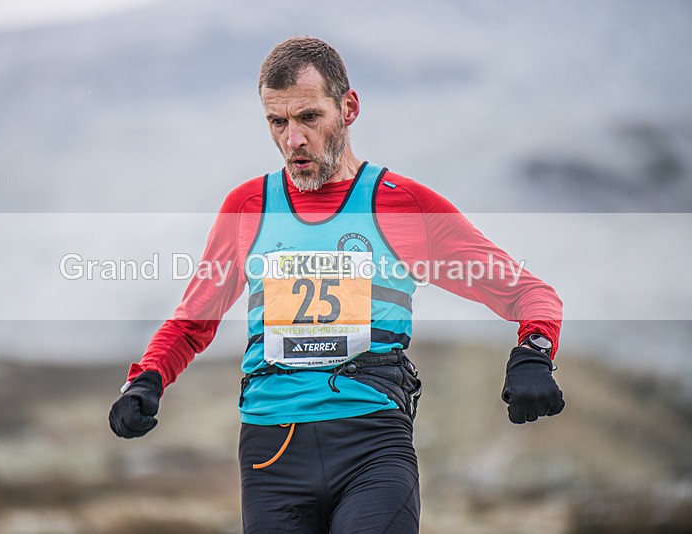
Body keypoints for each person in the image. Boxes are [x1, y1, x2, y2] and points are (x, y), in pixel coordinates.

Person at [109, 37, 564, 532]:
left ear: (348, 108)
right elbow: (193, 320)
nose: (293, 140)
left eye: (309, 117)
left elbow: (527, 293)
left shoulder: (402, 205)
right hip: (271, 453)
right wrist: (146, 379)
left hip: (373, 445)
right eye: (277, 122)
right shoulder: (247, 207)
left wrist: (533, 352)